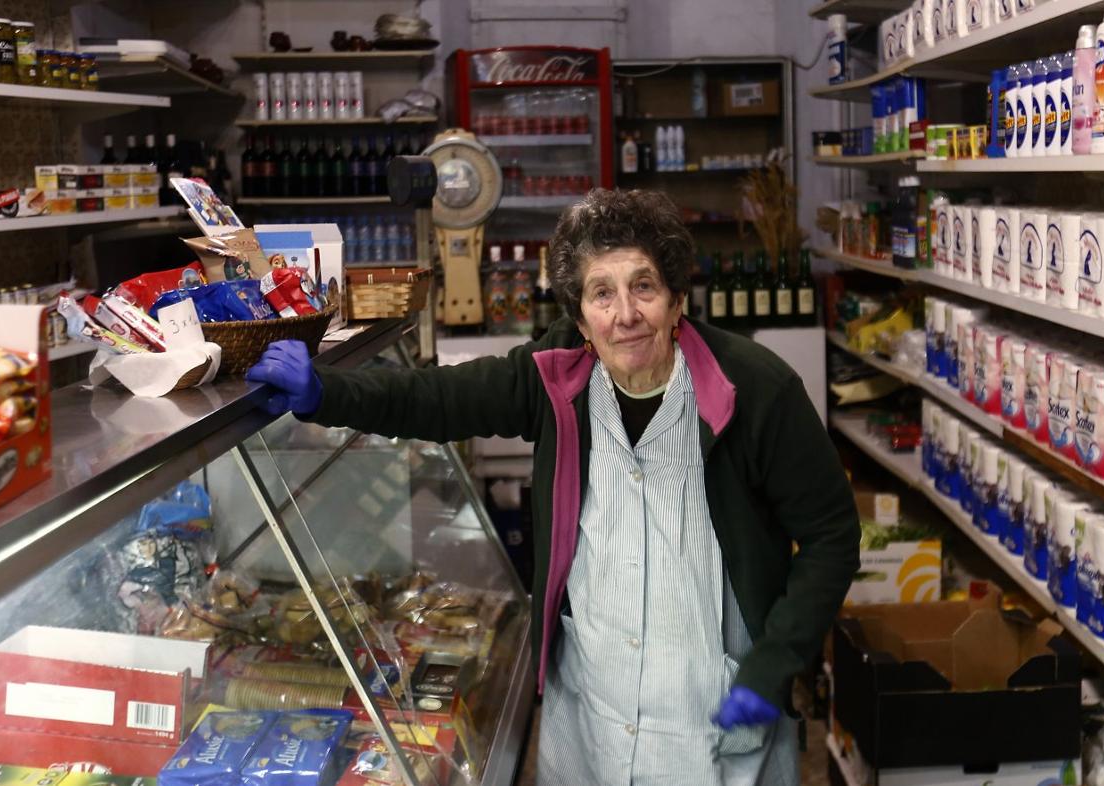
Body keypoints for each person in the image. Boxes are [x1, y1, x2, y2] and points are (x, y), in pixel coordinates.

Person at [247, 189, 860, 785]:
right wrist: (328, 392)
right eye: (602, 293)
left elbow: (832, 536)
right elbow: (439, 399)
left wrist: (775, 663)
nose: (626, 314)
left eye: (643, 286)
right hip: (591, 719)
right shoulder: (555, 376)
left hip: (716, 714)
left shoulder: (754, 391)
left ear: (676, 300)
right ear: (580, 319)